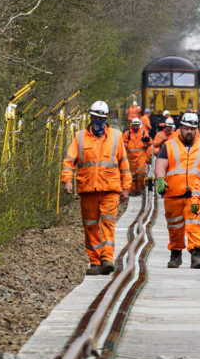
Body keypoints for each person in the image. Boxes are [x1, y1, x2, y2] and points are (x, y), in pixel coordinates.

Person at [61, 100, 128, 275]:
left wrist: (126, 187)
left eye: (101, 118)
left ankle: (107, 259)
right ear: (90, 117)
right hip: (88, 189)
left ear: (106, 119)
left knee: (107, 224)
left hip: (109, 189)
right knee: (90, 226)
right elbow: (69, 161)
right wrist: (67, 180)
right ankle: (95, 262)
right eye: (95, 117)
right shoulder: (80, 137)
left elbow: (124, 164)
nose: (98, 121)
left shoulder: (116, 136)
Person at [151, 111, 200, 269]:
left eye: (192, 128)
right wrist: (160, 179)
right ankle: (175, 254)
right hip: (173, 193)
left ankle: (196, 255)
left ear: (196, 129)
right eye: (186, 128)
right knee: (174, 227)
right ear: (180, 128)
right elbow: (161, 163)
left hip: (196, 195)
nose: (189, 131)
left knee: (196, 224)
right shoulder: (169, 146)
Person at [123, 114, 155, 195]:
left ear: (139, 125)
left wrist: (147, 140)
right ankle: (133, 190)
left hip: (141, 156)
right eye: (134, 125)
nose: (136, 127)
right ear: (132, 125)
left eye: (137, 125)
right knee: (132, 175)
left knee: (141, 173)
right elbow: (123, 143)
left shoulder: (143, 132)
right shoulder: (127, 133)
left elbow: (150, 142)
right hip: (131, 157)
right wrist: (126, 145)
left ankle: (141, 189)